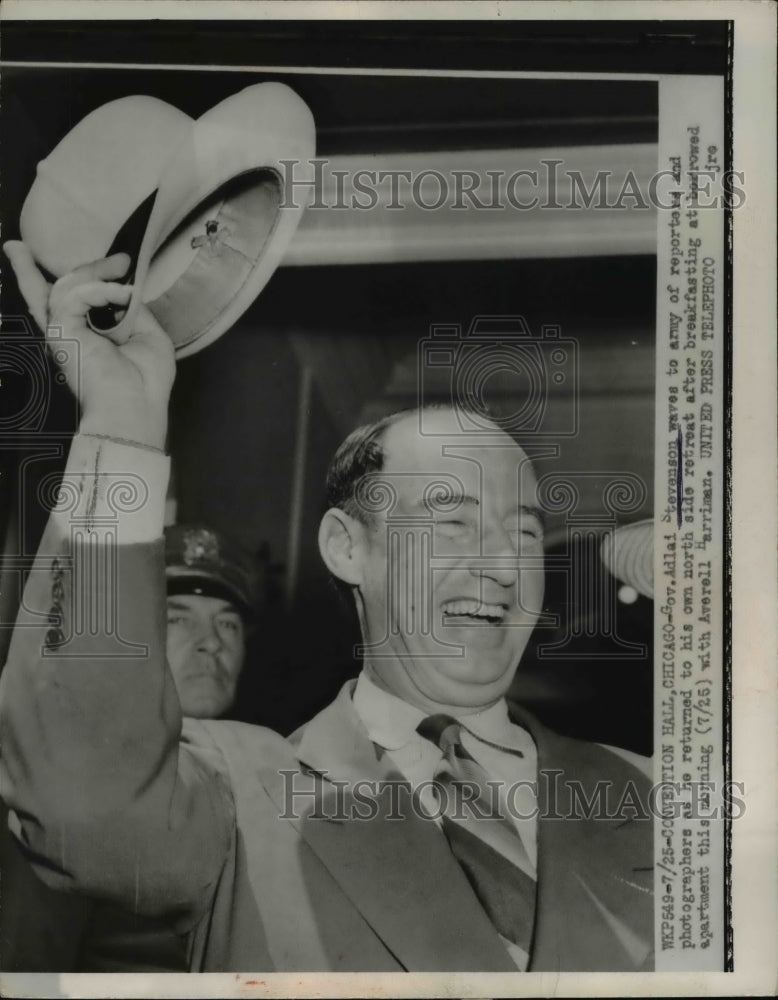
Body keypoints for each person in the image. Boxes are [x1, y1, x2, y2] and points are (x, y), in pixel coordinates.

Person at [0, 246, 653, 973]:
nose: (501, 566)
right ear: (347, 548)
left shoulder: (660, 792)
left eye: (524, 532)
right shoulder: (238, 795)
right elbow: (83, 802)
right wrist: (122, 416)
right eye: (451, 522)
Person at [0, 519, 257, 972]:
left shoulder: (263, 778)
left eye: (229, 625)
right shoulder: (72, 778)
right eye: (177, 617)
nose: (212, 643)